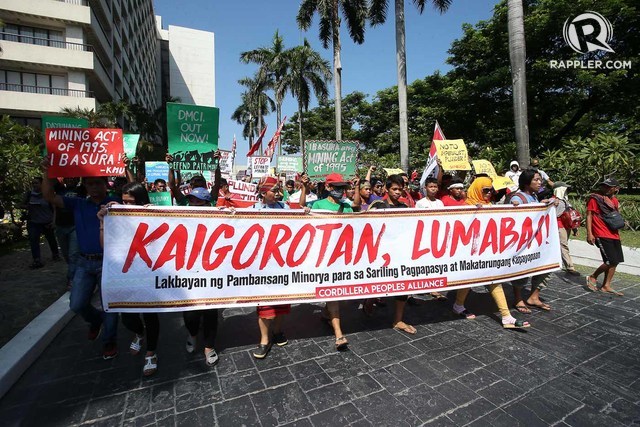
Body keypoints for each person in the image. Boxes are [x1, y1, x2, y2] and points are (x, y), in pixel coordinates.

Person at [41, 159, 120, 359]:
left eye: (97, 183)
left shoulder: (114, 203)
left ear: (105, 184)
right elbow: (49, 196)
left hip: (108, 263)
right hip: (84, 263)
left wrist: (119, 205)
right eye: (90, 183)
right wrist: (47, 172)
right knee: (76, 304)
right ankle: (95, 320)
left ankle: (109, 341)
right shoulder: (77, 203)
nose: (94, 187)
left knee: (109, 305)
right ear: (85, 186)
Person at [97, 182, 160, 376]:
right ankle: (139, 333)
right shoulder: (115, 215)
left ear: (142, 201)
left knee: (150, 315)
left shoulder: (152, 214)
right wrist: (103, 223)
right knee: (128, 317)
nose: (127, 206)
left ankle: (151, 352)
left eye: (131, 202)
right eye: (124, 201)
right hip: (126, 274)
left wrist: (156, 215)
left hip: (149, 273)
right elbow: (104, 247)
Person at [452, 176, 530, 329]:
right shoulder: (465, 206)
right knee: (470, 280)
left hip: (487, 253)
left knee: (493, 280)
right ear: (476, 190)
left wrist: (514, 208)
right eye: (485, 190)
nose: (489, 193)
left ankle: (506, 316)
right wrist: (472, 212)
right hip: (470, 253)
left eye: (491, 190)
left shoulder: (490, 205)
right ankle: (458, 305)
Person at [365, 175, 418, 334]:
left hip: (399, 253)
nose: (397, 192)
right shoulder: (377, 205)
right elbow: (366, 225)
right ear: (387, 189)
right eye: (394, 189)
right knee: (378, 282)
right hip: (380, 253)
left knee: (403, 286)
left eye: (400, 189)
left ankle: (398, 320)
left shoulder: (404, 208)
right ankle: (369, 300)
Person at [311, 173, 353, 350]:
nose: (340, 191)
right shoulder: (318, 205)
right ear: (328, 187)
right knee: (333, 294)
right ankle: (338, 333)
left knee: (341, 297)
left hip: (344, 257)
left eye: (342, 188)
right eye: (336, 187)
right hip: (325, 258)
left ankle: (327, 313)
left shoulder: (347, 207)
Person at [250, 176, 291, 359]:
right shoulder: (253, 210)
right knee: (264, 303)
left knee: (281, 302)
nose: (278, 194)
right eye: (274, 191)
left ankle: (278, 330)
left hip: (281, 263)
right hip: (263, 265)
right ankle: (264, 340)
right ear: (262, 192)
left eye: (278, 190)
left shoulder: (285, 208)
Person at [182, 187, 220, 366]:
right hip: (187, 271)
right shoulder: (181, 217)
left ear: (207, 204)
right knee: (190, 314)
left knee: (211, 312)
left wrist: (232, 215)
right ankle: (192, 333)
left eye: (199, 201)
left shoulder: (217, 218)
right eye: (192, 201)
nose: (194, 204)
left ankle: (209, 346)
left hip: (212, 272)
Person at [510, 169, 554, 312]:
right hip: (523, 243)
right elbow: (513, 211)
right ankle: (518, 299)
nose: (539, 182)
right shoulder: (518, 198)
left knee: (546, 267)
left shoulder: (534, 197)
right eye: (536, 179)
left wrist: (543, 205)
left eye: (540, 179)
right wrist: (515, 205)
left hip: (537, 242)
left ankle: (534, 296)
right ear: (526, 182)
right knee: (522, 270)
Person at [585, 178, 625, 296]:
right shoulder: (595, 198)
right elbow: (589, 215)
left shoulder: (614, 201)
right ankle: (593, 276)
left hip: (613, 234)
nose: (606, 188)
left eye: (609, 186)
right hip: (601, 233)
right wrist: (589, 233)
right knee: (610, 260)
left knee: (616, 261)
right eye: (604, 186)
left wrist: (618, 234)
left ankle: (606, 285)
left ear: (616, 188)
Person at [23, 177, 60, 269]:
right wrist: (27, 206)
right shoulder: (29, 194)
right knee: (33, 240)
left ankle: (55, 254)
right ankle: (37, 259)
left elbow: (54, 208)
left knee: (51, 239)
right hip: (33, 222)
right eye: (33, 183)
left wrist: (53, 221)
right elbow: (21, 204)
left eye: (36, 183)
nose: (34, 185)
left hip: (46, 221)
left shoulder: (47, 194)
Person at [53, 178, 84, 287]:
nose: (71, 180)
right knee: (66, 254)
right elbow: (48, 193)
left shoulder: (81, 190)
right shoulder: (59, 189)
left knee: (73, 254)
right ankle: (75, 270)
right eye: (68, 178)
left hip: (75, 226)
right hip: (60, 225)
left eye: (73, 177)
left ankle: (71, 279)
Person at [553, 182, 580, 275]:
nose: (567, 191)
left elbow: (571, 215)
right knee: (563, 245)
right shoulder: (554, 201)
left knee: (562, 245)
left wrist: (574, 229)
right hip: (559, 226)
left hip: (566, 226)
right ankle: (570, 267)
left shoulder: (565, 200)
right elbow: (553, 216)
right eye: (564, 189)